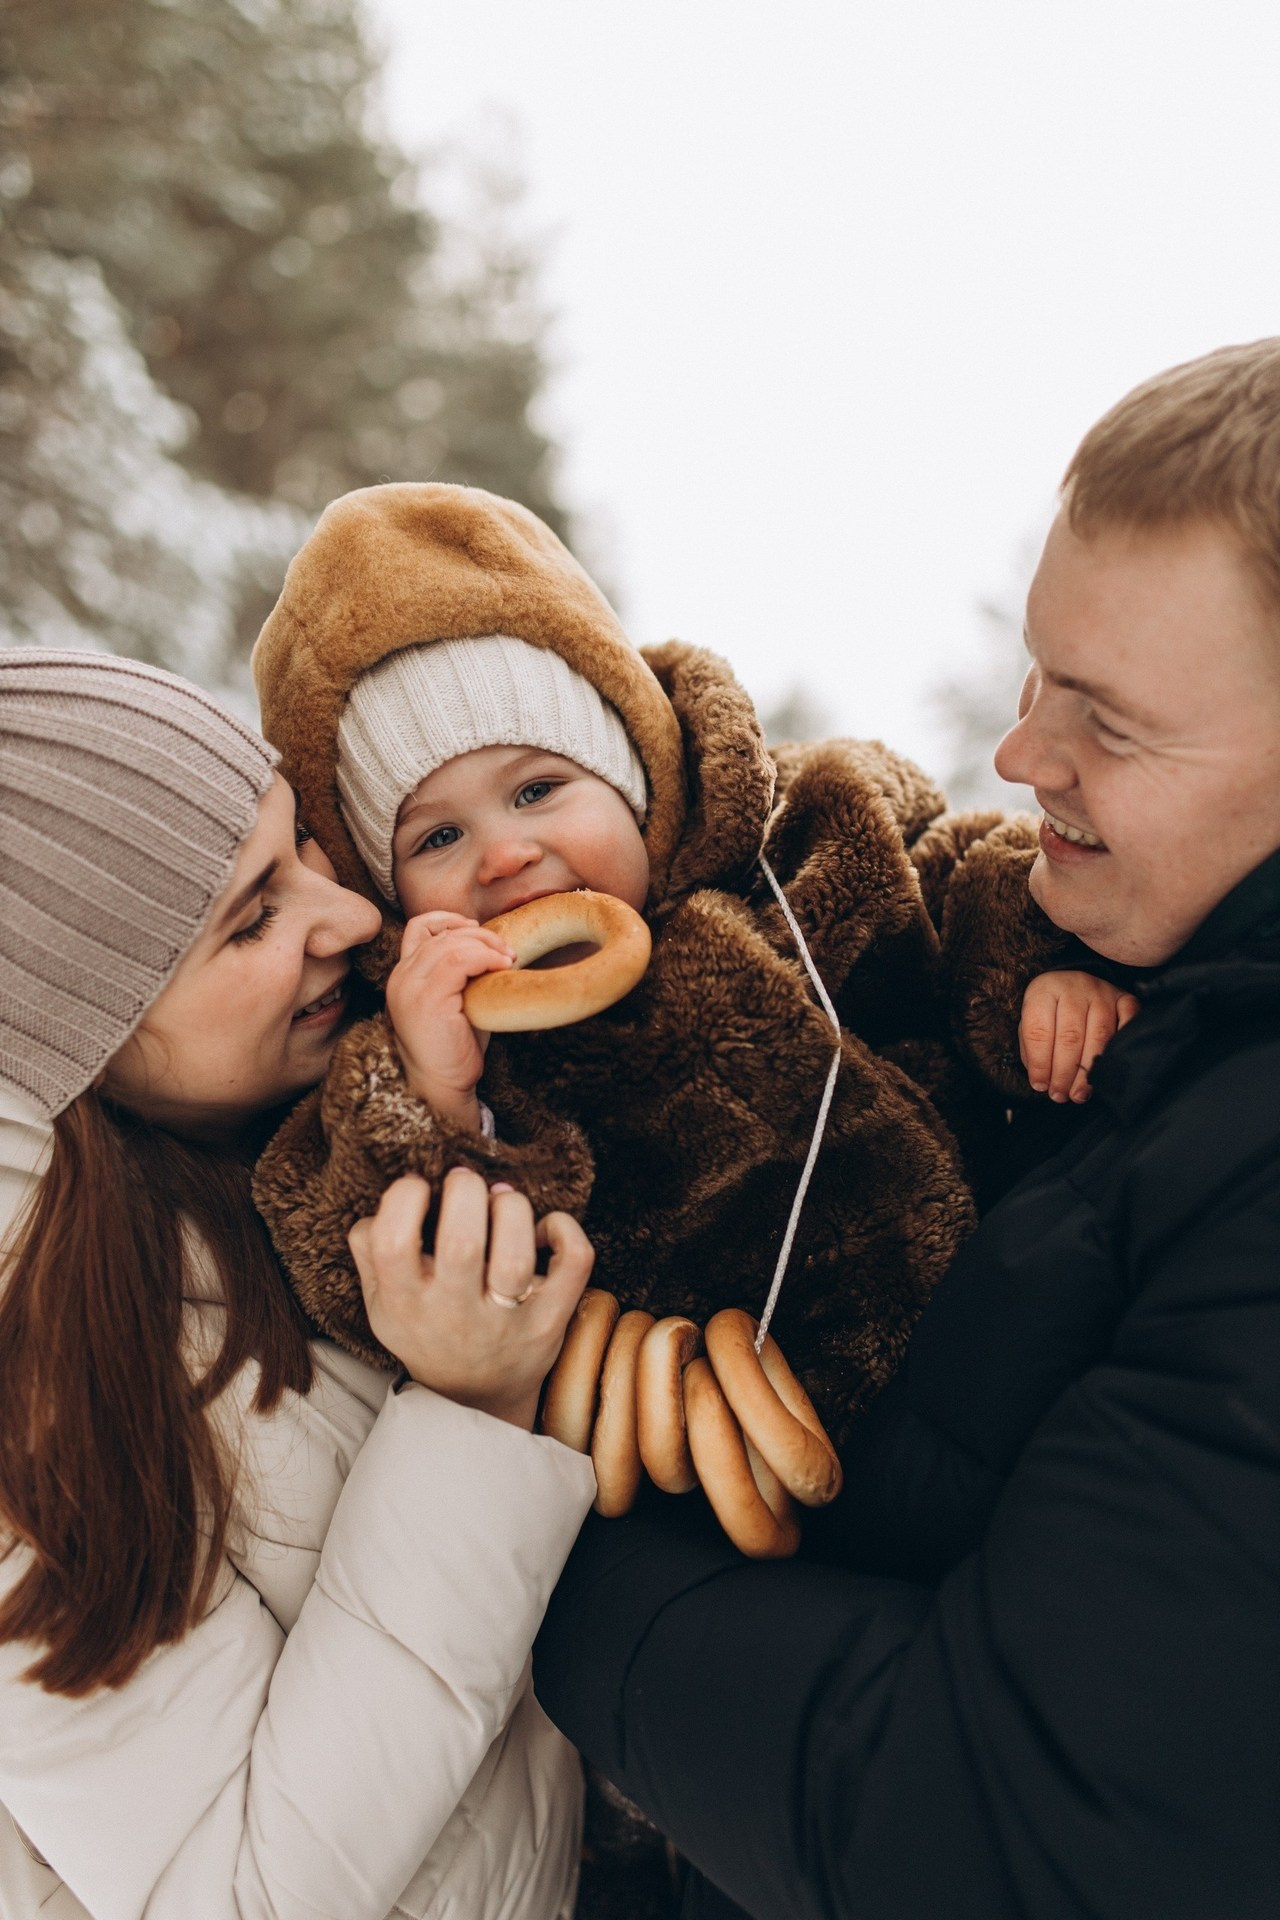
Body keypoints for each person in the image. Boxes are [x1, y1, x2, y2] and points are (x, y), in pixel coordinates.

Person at [530, 338, 1280, 1920]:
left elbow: (998, 1829)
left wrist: (544, 1556)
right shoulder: (1127, 1004)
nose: (1020, 759)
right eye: (1031, 678)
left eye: (1111, 725)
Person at [249, 482, 1131, 1478]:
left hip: (1004, 1316)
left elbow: (968, 862)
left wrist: (1035, 972)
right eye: (438, 836)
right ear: (390, 890)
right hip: (733, 1459)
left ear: (635, 777)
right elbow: (347, 1264)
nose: (503, 856)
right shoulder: (415, 1052)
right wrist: (444, 1105)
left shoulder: (806, 836)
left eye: (538, 790)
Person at [0, 651, 597, 1919]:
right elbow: (236, 1896)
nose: (352, 918)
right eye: (251, 919)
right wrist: (469, 1410)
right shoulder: (31, 1427)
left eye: (299, 852)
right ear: (74, 1056)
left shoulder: (277, 1149)